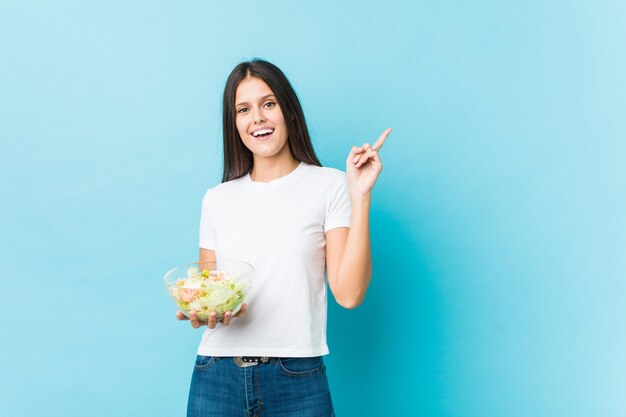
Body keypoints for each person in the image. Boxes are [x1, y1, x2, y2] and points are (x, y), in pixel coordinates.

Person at [176, 58, 391, 417]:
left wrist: (361, 195)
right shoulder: (217, 198)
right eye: (243, 109)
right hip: (216, 377)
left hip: (297, 377)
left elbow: (350, 294)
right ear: (235, 124)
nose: (257, 117)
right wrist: (202, 312)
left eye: (268, 104)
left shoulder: (330, 185)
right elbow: (210, 295)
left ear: (288, 111)